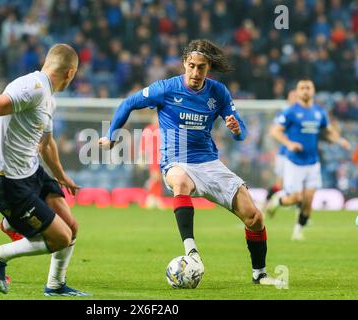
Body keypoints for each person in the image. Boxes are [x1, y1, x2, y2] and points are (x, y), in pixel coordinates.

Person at [99, 39, 282, 285]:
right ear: (184, 63)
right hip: (176, 161)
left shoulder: (218, 92)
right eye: (192, 66)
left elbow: (242, 136)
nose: (196, 72)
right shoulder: (166, 88)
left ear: (208, 68)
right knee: (181, 182)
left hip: (208, 162)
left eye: (201, 67)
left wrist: (236, 129)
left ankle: (259, 274)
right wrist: (111, 135)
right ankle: (191, 251)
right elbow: (129, 103)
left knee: (255, 218)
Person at [0, 43, 90, 296]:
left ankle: (55, 285)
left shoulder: (47, 97)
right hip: (7, 180)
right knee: (60, 238)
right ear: (70, 73)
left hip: (31, 171)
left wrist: (61, 176)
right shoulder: (32, 89)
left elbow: (46, 144)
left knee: (72, 227)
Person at [267, 79, 351, 240]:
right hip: (295, 162)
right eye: (302, 88)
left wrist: (340, 140)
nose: (305, 90)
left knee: (308, 199)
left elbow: (326, 133)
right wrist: (289, 143)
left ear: (313, 91)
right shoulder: (291, 112)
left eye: (308, 87)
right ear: (297, 92)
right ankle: (278, 200)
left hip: (313, 162)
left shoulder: (319, 112)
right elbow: (275, 131)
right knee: (295, 198)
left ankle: (298, 231)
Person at [264, 89, 297, 216]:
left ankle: (302, 216)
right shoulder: (284, 114)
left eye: (296, 96)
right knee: (280, 184)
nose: (294, 99)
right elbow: (273, 132)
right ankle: (266, 204)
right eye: (292, 96)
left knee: (297, 185)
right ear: (289, 99)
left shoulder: (303, 114)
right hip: (284, 155)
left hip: (297, 155)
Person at [138, 113, 165, 209]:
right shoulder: (148, 129)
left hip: (162, 158)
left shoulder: (164, 129)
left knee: (159, 179)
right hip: (152, 157)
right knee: (155, 177)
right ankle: (150, 197)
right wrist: (141, 156)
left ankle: (155, 198)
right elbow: (143, 143)